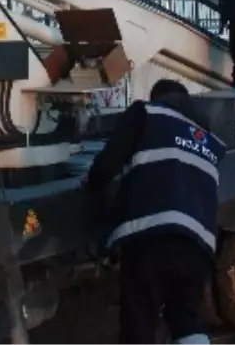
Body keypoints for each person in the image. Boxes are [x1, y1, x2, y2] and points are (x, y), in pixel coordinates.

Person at [85, 78, 224, 345]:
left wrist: (94, 182)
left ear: (158, 97)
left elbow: (106, 165)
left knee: (140, 320)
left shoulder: (146, 114)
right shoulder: (208, 138)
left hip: (151, 237)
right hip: (199, 244)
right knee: (187, 319)